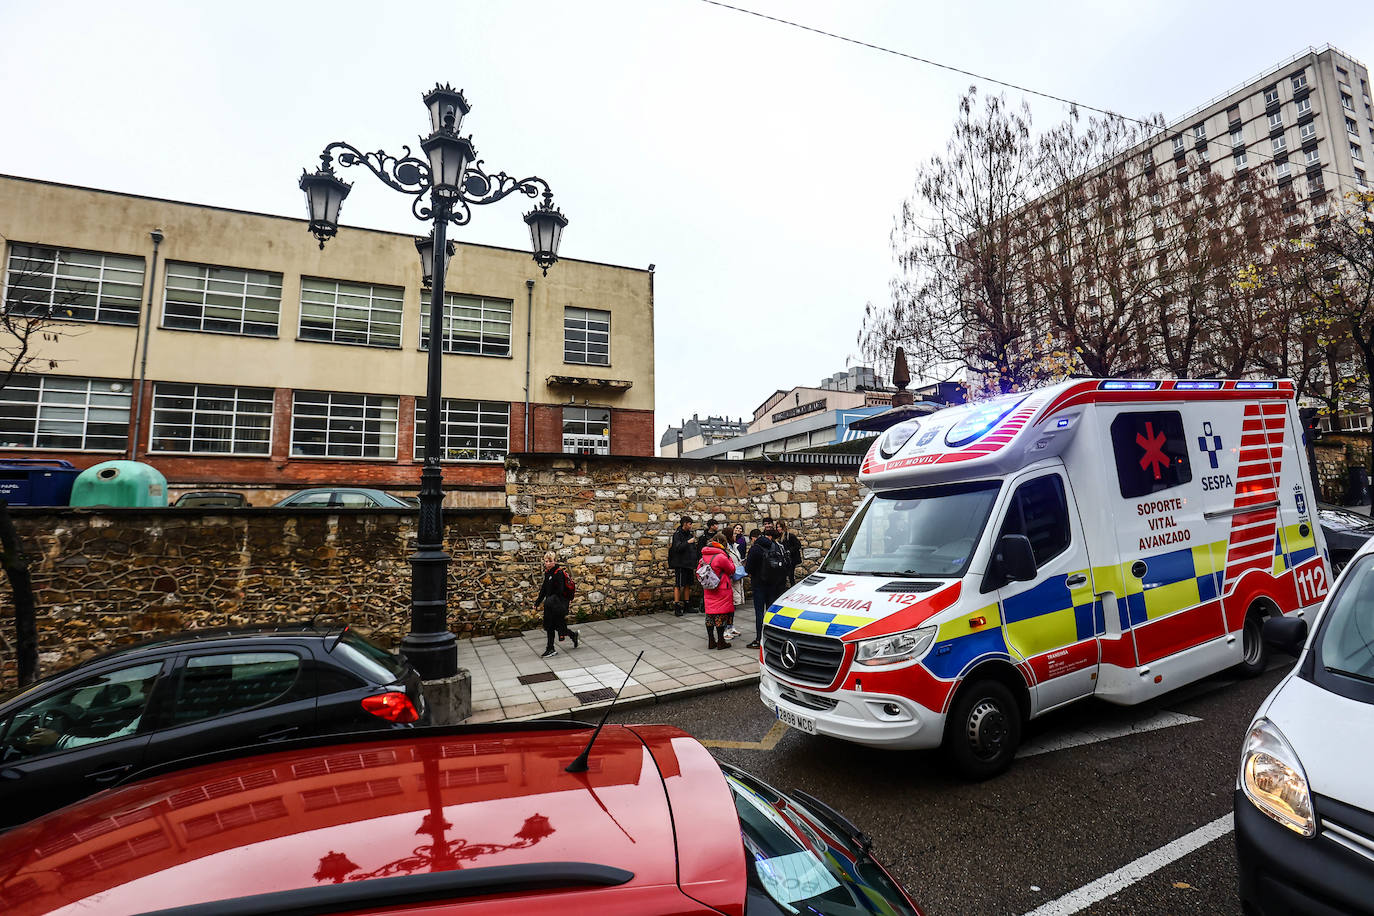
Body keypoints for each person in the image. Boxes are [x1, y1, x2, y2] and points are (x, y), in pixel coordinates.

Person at [745, 522, 787, 649]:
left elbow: (748, 568)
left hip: (759, 584)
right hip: (773, 583)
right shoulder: (775, 546)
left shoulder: (755, 549)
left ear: (755, 538)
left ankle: (759, 639)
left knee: (759, 612)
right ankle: (773, 637)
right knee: (770, 611)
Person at [534, 551, 579, 658]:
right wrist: (537, 602)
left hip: (558, 605)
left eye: (550, 561)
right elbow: (544, 590)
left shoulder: (558, 573)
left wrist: (550, 600)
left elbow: (560, 590)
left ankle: (551, 648)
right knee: (552, 626)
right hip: (551, 605)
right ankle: (555, 646)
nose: (548, 563)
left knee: (556, 626)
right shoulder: (548, 573)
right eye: (546, 561)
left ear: (555, 561)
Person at [698, 533, 737, 649]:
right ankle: (721, 641)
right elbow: (732, 570)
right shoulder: (721, 557)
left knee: (710, 615)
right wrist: (729, 557)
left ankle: (711, 640)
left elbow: (699, 572)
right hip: (721, 589)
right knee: (720, 615)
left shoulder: (703, 557)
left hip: (708, 589)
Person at [667, 516, 696, 616]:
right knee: (678, 585)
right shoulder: (677, 535)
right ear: (685, 524)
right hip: (680, 563)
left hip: (689, 564)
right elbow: (677, 547)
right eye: (690, 524)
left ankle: (687, 604)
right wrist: (688, 542)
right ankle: (677, 606)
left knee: (688, 584)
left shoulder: (690, 534)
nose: (691, 526)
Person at [774, 519, 803, 586]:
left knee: (790, 575)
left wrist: (789, 551)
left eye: (780, 527)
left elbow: (798, 545)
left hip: (791, 559)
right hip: (784, 559)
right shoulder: (778, 537)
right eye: (777, 527)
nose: (778, 529)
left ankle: (792, 587)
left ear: (783, 527)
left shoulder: (789, 536)